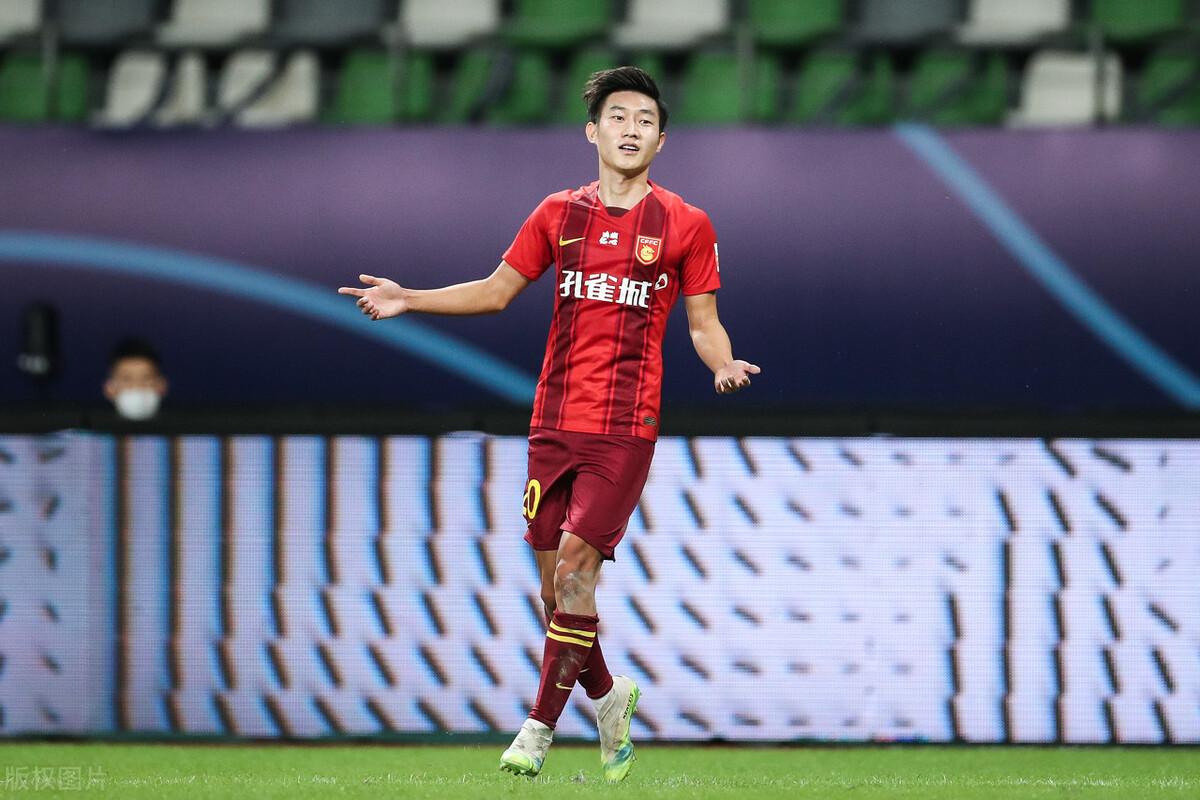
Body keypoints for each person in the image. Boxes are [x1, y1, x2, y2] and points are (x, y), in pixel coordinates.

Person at [339, 67, 759, 781]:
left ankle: (538, 728)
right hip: (553, 423)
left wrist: (721, 362)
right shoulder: (558, 214)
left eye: (646, 120)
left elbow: (703, 323)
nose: (631, 129)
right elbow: (496, 291)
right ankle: (608, 696)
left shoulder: (686, 224)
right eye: (618, 116)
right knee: (555, 593)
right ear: (592, 131)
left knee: (573, 570)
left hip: (624, 427)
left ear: (662, 140)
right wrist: (410, 297)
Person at [103, 338, 168, 421]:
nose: (137, 386)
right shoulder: (89, 427)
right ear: (109, 388)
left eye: (147, 378)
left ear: (162, 385)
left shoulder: (182, 426)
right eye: (126, 379)